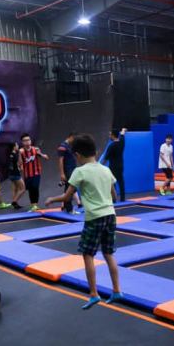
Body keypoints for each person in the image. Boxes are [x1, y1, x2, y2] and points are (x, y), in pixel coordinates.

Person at [45, 134, 122, 310]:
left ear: (77, 155)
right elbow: (114, 196)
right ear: (95, 152)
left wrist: (51, 199)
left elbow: (67, 197)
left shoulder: (79, 172)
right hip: (110, 215)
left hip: (94, 217)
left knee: (88, 255)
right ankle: (117, 290)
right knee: (109, 253)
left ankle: (94, 294)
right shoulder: (106, 170)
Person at [19, 133, 49, 211]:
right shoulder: (21, 151)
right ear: (22, 142)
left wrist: (42, 155)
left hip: (36, 172)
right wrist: (20, 166)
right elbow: (20, 163)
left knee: (35, 187)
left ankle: (35, 204)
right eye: (25, 140)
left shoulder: (36, 149)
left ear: (30, 140)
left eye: (28, 140)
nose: (27, 142)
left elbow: (44, 156)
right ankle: (33, 205)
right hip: (27, 174)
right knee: (30, 189)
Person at [58, 132, 81, 213]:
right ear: (71, 137)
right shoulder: (62, 146)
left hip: (72, 170)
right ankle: (69, 209)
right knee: (70, 189)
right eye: (74, 139)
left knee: (67, 189)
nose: (75, 141)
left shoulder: (69, 146)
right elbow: (60, 160)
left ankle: (65, 207)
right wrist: (62, 173)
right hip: (68, 171)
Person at [102, 128, 127, 202]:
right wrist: (123, 130)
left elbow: (105, 158)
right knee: (121, 181)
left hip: (113, 167)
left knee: (113, 183)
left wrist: (100, 166)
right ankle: (122, 199)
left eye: (110, 135)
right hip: (120, 165)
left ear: (113, 135)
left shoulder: (111, 146)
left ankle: (114, 199)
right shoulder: (122, 142)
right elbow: (122, 135)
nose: (109, 136)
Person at [7, 142, 25, 209]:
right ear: (14, 147)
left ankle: (15, 204)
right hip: (15, 174)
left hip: (11, 174)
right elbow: (19, 163)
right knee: (23, 188)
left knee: (15, 189)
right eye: (17, 145)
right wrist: (19, 153)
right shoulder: (14, 155)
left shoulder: (11, 154)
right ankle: (14, 201)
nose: (18, 146)